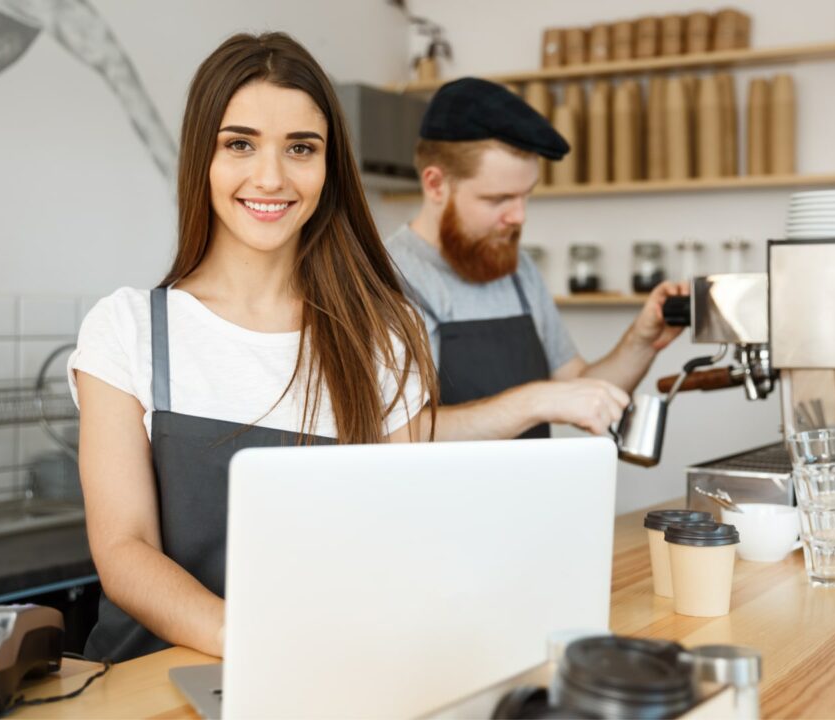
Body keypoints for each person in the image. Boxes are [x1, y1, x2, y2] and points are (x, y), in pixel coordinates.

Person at [67, 33, 438, 662]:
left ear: (329, 167)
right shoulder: (127, 328)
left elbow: (400, 537)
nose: (271, 177)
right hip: (150, 688)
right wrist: (258, 644)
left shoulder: (384, 332)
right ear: (201, 160)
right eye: (239, 144)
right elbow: (124, 551)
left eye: (301, 148)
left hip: (324, 675)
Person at [386, 77, 689, 440]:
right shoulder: (386, 275)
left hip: (532, 495)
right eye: (498, 199)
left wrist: (641, 341)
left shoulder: (515, 268)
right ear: (435, 184)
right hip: (442, 498)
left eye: (525, 195)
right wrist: (534, 401)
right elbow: (407, 433)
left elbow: (577, 385)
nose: (519, 216)